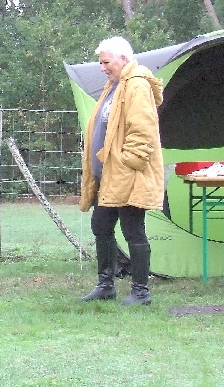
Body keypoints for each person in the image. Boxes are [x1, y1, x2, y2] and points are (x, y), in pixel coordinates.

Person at [78, 36, 165, 306]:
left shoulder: (137, 85)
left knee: (133, 230)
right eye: (100, 62)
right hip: (109, 176)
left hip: (127, 174)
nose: (102, 67)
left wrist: (129, 162)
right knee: (101, 225)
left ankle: (141, 292)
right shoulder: (114, 86)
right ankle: (106, 285)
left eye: (105, 62)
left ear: (123, 59)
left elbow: (143, 130)